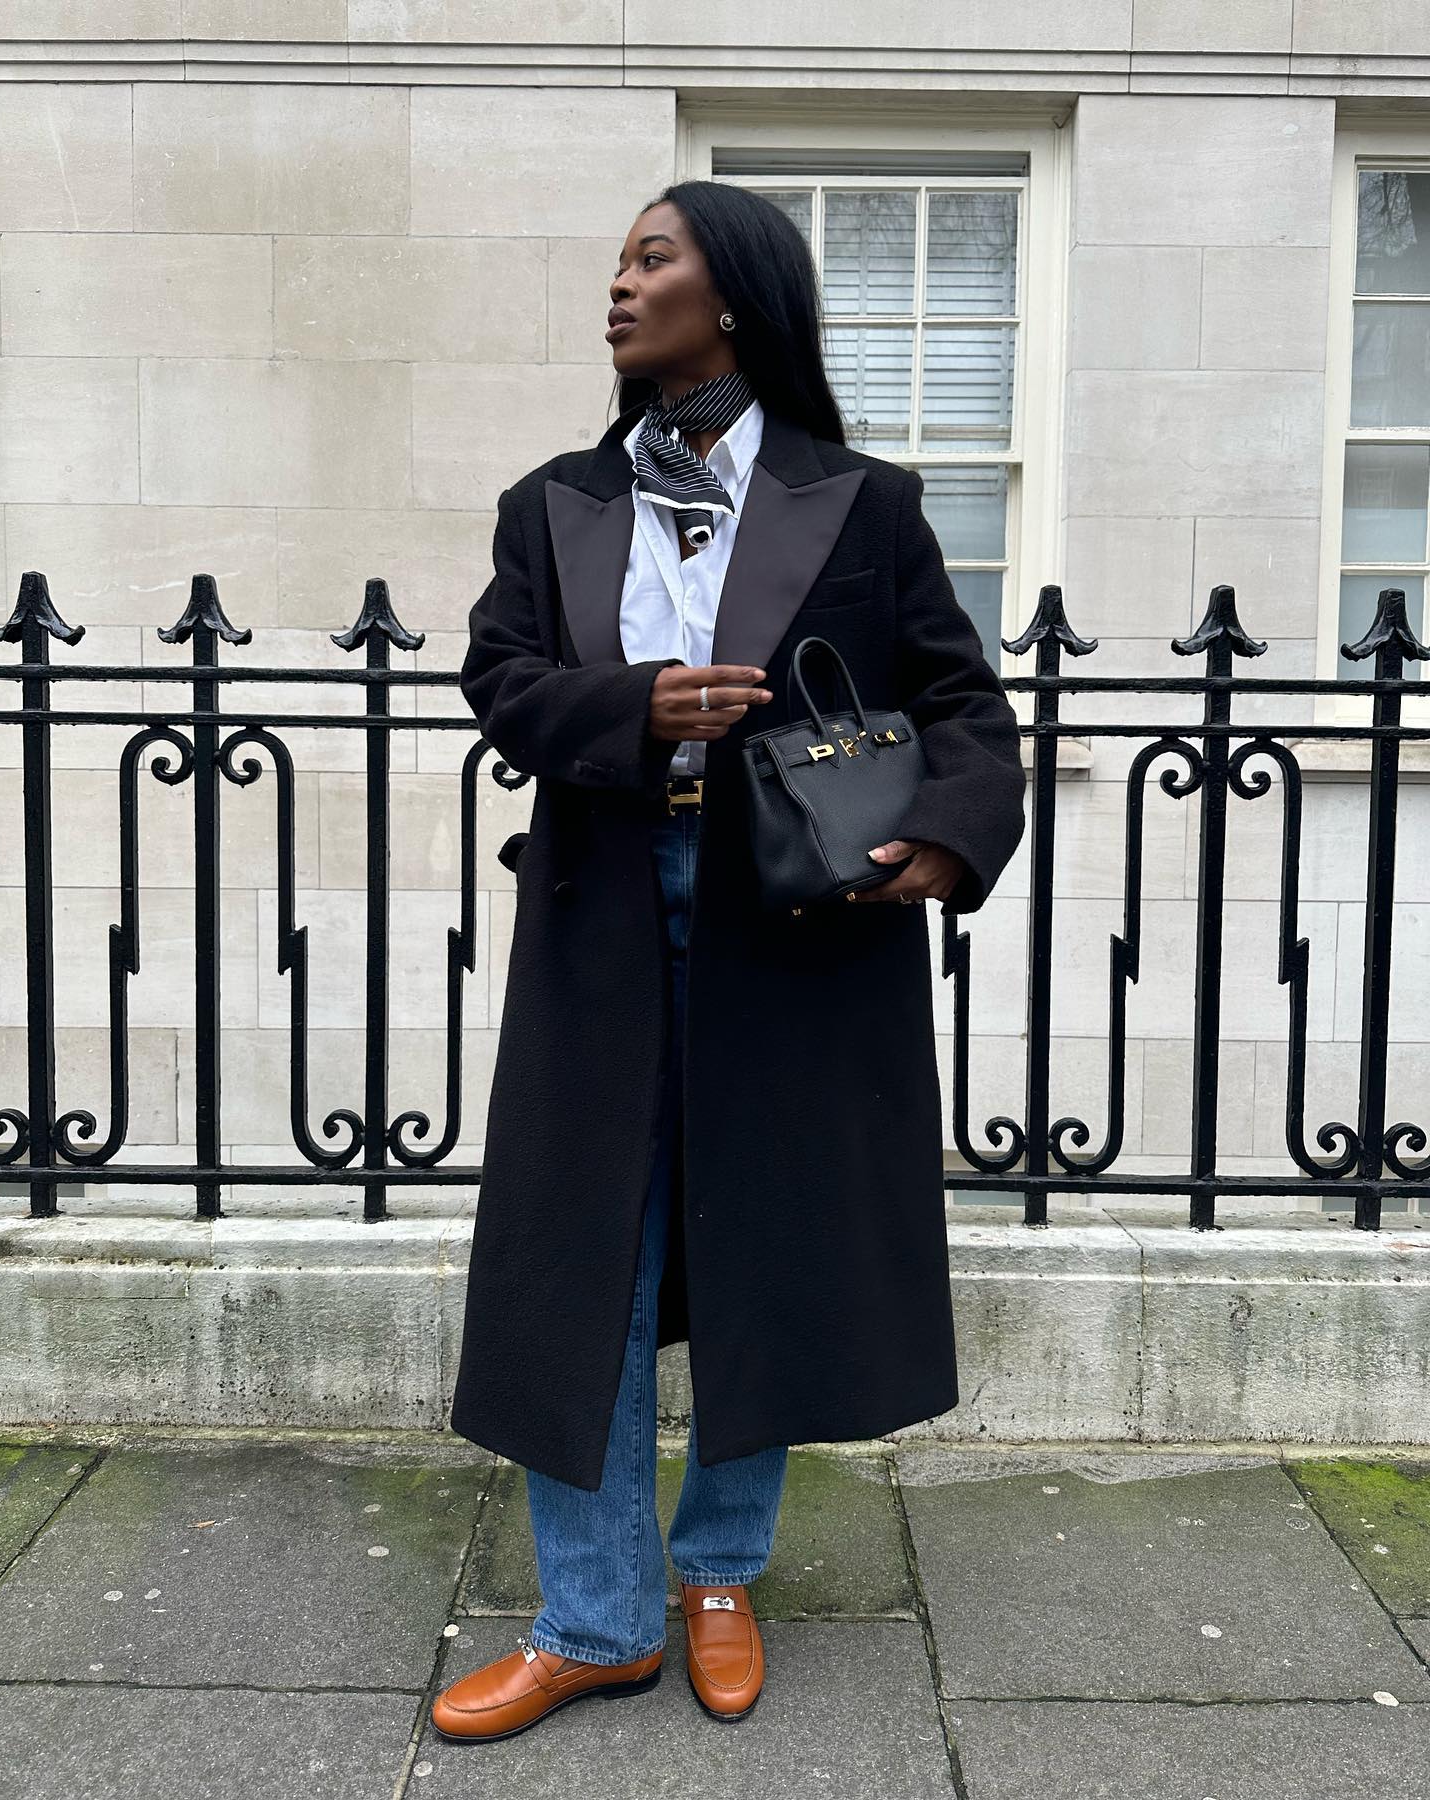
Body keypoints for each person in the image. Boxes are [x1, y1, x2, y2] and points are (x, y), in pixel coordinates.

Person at [432, 179, 1025, 1745]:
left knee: (766, 1245)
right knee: (590, 1266)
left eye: (651, 261)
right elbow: (499, 680)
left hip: (801, 918)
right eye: (617, 261)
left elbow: (962, 701)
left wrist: (946, 841)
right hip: (604, 905)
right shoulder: (553, 499)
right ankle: (597, 1618)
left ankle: (716, 1575)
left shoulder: (865, 501)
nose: (618, 287)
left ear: (735, 297)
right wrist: (636, 710)